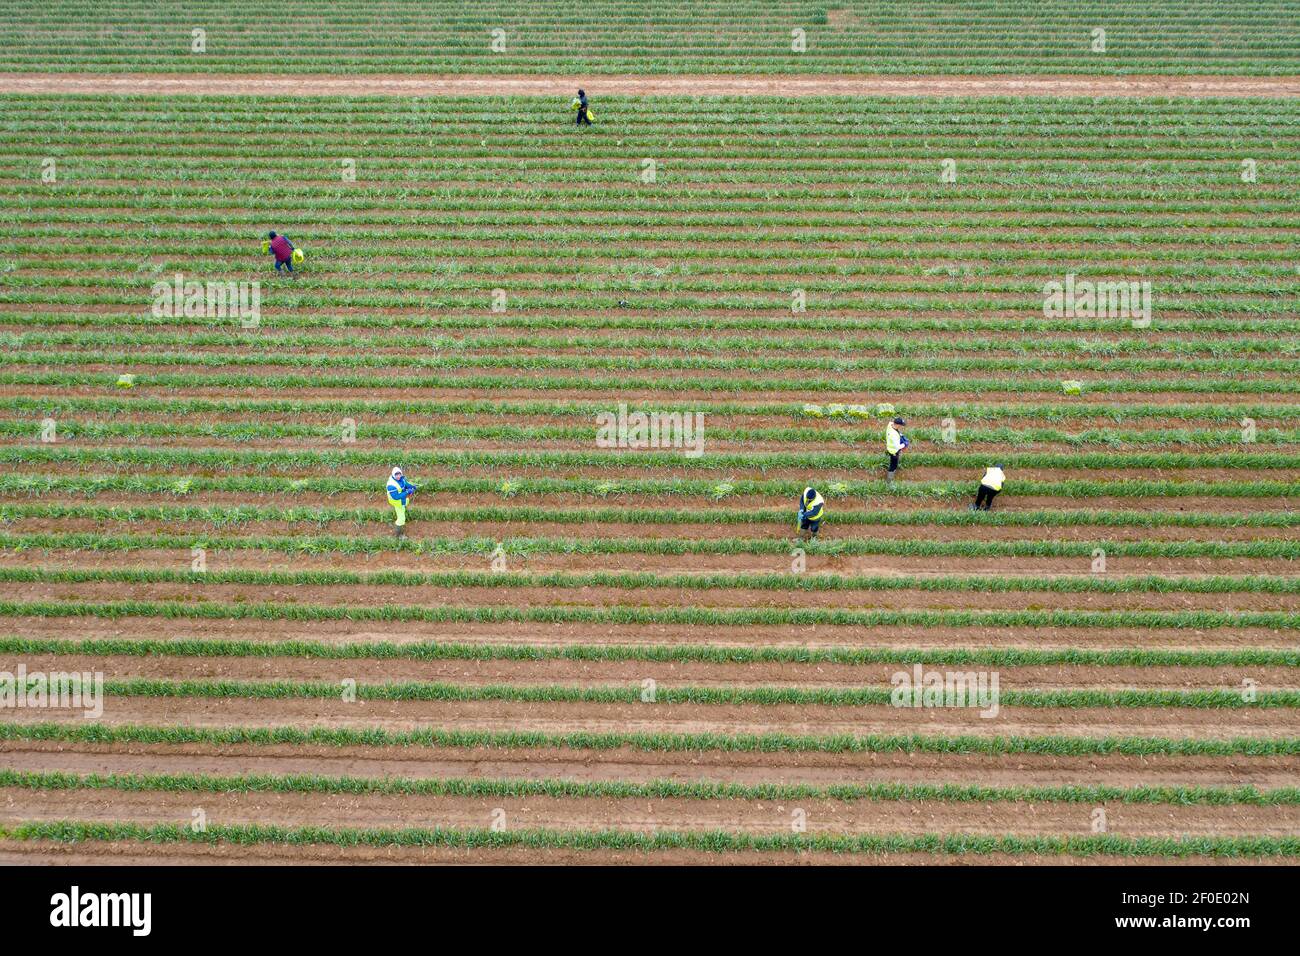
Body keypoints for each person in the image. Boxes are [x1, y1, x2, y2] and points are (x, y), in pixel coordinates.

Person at [386, 466, 418, 539]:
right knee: (401, 519)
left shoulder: (401, 479)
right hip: (397, 502)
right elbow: (396, 496)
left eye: (399, 474)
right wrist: (407, 492)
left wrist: (412, 486)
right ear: (393, 475)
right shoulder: (391, 485)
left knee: (402, 510)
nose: (398, 476)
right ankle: (398, 535)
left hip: (402, 500)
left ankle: (398, 532)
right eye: (396, 475)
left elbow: (405, 484)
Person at [884, 416, 909, 489]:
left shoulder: (890, 425)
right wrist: (905, 444)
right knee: (893, 465)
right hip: (893, 451)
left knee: (893, 462)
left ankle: (889, 480)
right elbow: (897, 446)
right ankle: (889, 482)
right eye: (901, 425)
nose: (901, 426)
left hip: (889, 447)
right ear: (898, 425)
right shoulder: (893, 435)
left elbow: (893, 426)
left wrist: (900, 434)